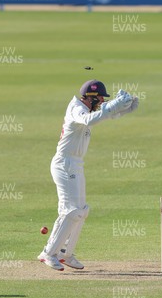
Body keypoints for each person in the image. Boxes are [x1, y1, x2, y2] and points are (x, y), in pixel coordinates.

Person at [38, 80, 139, 271]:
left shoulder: (88, 110)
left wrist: (123, 110)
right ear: (90, 97)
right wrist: (114, 105)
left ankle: (65, 253)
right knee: (71, 210)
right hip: (65, 164)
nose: (102, 101)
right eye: (100, 98)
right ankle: (49, 253)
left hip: (75, 164)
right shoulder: (76, 108)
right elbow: (90, 120)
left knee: (82, 211)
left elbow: (102, 117)